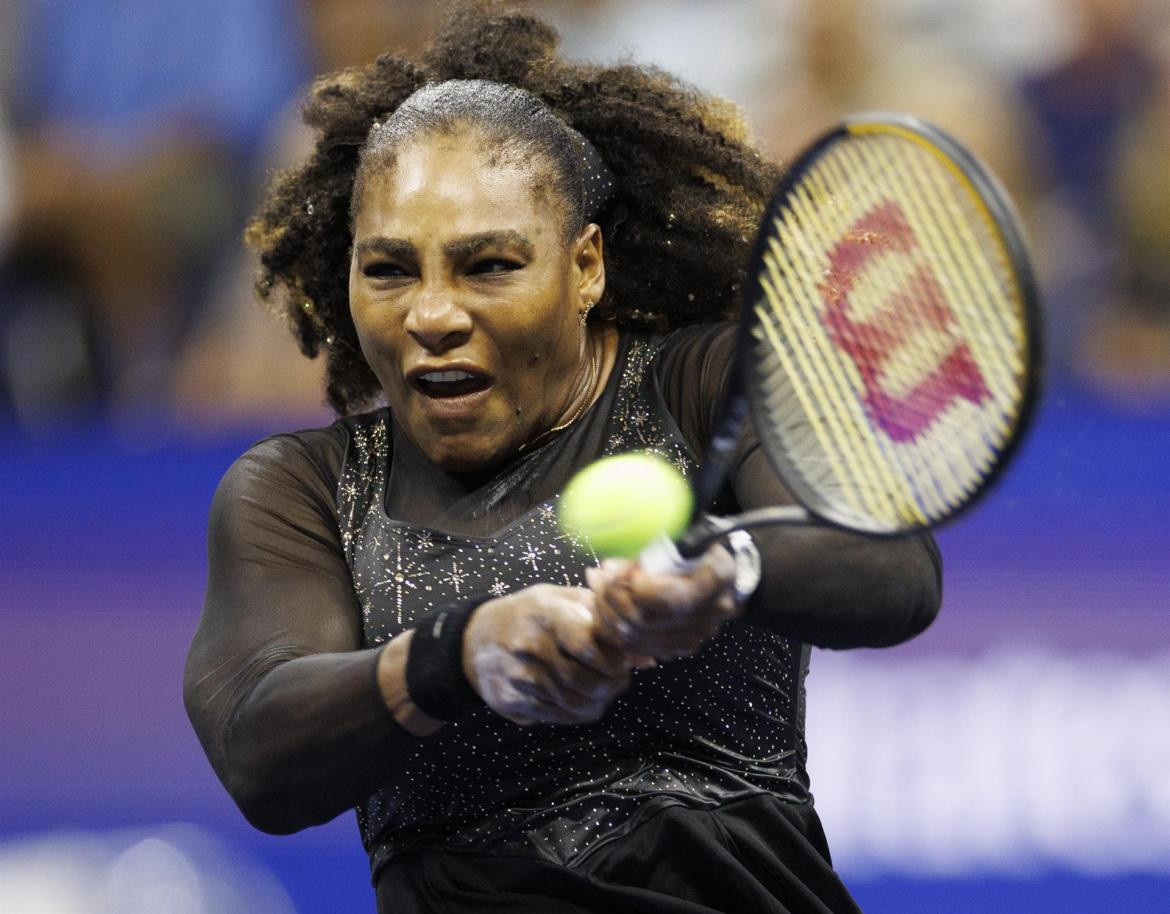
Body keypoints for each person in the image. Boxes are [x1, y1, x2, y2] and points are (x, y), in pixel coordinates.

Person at [183, 4, 941, 912]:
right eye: (388, 269)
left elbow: (892, 568)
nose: (431, 314)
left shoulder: (713, 383)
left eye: (489, 265)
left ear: (585, 266)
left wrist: (725, 568)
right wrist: (460, 654)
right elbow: (260, 751)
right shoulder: (299, 490)